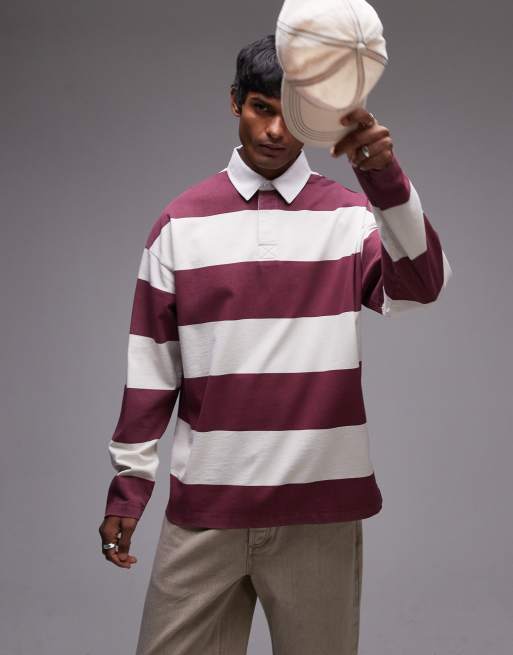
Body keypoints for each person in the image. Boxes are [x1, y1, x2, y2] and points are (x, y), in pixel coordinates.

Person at [98, 33, 452, 655]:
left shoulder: (349, 218)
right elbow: (152, 368)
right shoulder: (180, 224)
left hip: (320, 512)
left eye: (293, 114)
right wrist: (130, 486)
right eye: (262, 107)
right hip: (206, 509)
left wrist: (384, 177)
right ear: (235, 102)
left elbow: (423, 286)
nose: (275, 131)